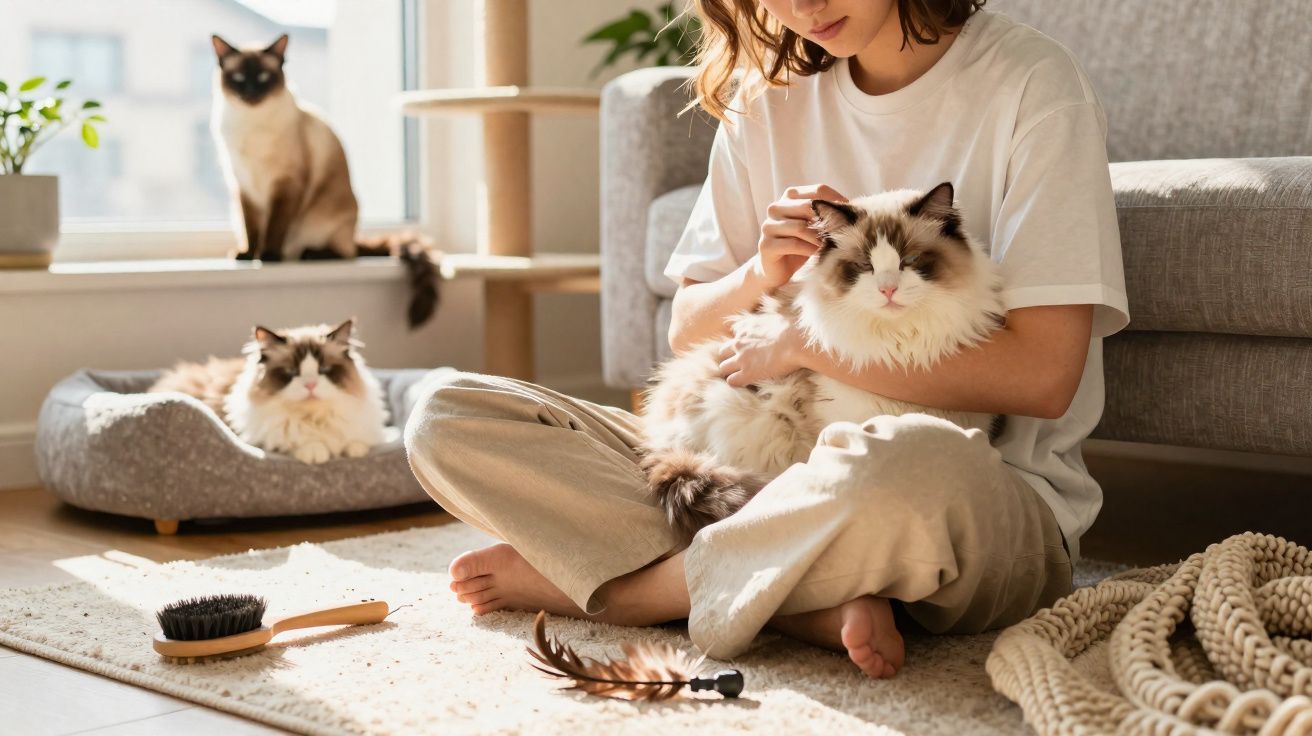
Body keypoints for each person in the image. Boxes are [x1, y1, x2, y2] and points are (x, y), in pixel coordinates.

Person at [404, 0, 1128, 680]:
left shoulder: (1032, 84)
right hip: (751, 469)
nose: (802, 7)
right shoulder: (768, 99)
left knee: (902, 458)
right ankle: (800, 598)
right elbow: (686, 330)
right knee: (446, 415)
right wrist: (759, 272)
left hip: (969, 493)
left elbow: (1043, 377)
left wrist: (803, 345)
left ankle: (633, 591)